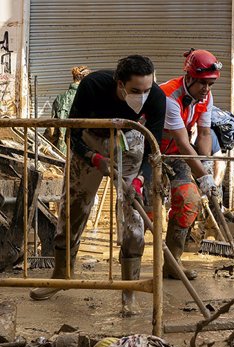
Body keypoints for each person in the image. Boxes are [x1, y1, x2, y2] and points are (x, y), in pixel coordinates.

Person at [29, 55, 166, 318]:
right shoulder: (92, 86)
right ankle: (61, 276)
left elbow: (154, 150)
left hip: (130, 143)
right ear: (119, 83)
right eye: (135, 91)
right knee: (73, 208)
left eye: (147, 90)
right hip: (90, 143)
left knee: (133, 219)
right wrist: (93, 158)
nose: (142, 96)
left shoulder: (157, 98)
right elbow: (72, 133)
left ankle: (129, 292)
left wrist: (139, 180)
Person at [158, 49, 222, 280]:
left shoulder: (206, 97)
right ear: (189, 77)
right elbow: (184, 143)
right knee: (143, 213)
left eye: (211, 84)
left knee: (189, 201)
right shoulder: (169, 96)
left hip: (176, 156)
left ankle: (172, 265)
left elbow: (204, 134)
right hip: (150, 153)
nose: (206, 89)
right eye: (203, 83)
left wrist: (205, 167)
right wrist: (203, 176)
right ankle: (130, 271)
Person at [49, 65, 90, 153]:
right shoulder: (88, 97)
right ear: (86, 79)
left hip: (62, 151)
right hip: (83, 151)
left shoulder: (60, 98)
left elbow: (52, 130)